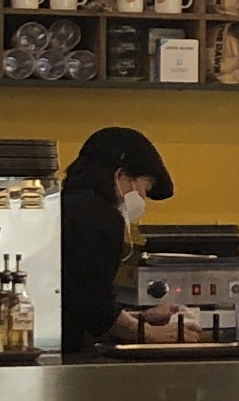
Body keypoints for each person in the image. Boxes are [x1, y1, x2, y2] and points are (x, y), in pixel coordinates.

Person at [57, 128, 173, 356]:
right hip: (68, 352)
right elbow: (95, 310)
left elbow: (81, 300)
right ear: (122, 177)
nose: (143, 199)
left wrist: (140, 317)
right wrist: (152, 334)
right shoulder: (98, 216)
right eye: (144, 189)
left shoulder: (66, 205)